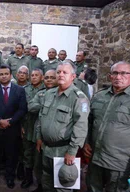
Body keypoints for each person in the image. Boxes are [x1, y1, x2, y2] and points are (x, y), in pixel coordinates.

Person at [37, 62, 89, 191]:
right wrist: (38, 137)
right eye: (58, 72)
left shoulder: (79, 98)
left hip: (64, 151)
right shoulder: (49, 94)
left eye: (65, 72)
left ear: (73, 76)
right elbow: (40, 117)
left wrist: (72, 152)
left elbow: (81, 127)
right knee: (47, 183)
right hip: (46, 149)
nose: (60, 75)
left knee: (63, 187)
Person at [84, 61, 130, 192]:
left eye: (123, 73)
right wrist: (86, 142)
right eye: (115, 73)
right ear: (110, 76)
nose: (118, 77)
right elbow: (89, 121)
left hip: (119, 165)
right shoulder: (99, 96)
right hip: (96, 159)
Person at [0, 64, 27, 189]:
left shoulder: (19, 90)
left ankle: (10, 177)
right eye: (1, 74)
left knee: (11, 155)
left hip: (12, 128)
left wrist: (10, 122)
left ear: (10, 75)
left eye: (6, 74)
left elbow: (22, 109)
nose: (3, 76)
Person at [21, 69, 45, 189]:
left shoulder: (47, 90)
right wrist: (21, 125)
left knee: (39, 157)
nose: (34, 77)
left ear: (42, 77)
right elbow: (20, 108)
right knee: (27, 154)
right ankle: (28, 178)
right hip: (27, 126)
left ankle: (40, 182)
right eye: (32, 75)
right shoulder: (25, 89)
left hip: (41, 128)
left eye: (37, 75)